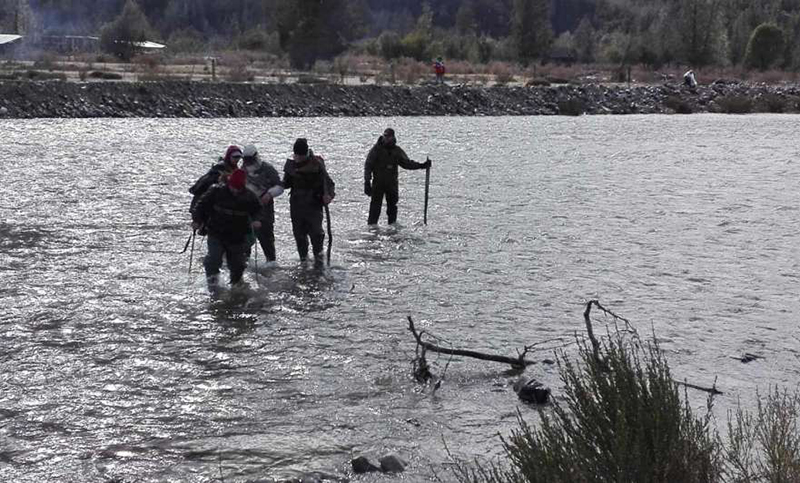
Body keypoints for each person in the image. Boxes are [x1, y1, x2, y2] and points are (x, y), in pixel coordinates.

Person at [191, 168, 262, 290]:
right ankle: (213, 285)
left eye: (238, 188)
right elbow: (201, 205)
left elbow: (258, 210)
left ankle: (236, 285)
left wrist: (256, 220)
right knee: (213, 259)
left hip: (237, 236)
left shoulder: (249, 196)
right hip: (216, 232)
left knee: (238, 265)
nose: (235, 190)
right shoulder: (216, 190)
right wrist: (197, 220)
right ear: (229, 183)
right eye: (233, 187)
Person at [282, 138, 335, 263]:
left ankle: (319, 264)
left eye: (300, 155)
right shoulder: (291, 166)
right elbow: (285, 184)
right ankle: (303, 263)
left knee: (317, 236)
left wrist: (329, 196)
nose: (298, 158)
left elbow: (330, 184)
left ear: (305, 154)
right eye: (296, 155)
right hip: (296, 207)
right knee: (299, 237)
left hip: (314, 207)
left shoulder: (317, 165)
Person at [363, 128, 431, 225]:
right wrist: (367, 182)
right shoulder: (376, 150)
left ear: (393, 137)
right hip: (378, 183)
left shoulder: (397, 151)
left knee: (392, 209)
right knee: (375, 209)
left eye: (389, 137)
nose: (386, 139)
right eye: (385, 136)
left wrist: (421, 165)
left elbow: (407, 164)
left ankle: (392, 230)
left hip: (392, 184)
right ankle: (372, 230)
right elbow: (368, 166)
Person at [241, 144, 284, 264]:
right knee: (245, 244)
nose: (249, 164)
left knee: (267, 241)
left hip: (266, 212)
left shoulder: (268, 169)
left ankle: (271, 263)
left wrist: (269, 194)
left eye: (251, 161)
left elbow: (280, 186)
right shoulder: (243, 170)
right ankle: (245, 266)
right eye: (246, 161)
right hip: (247, 213)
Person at [188, 145, 243, 212]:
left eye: (239, 157)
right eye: (235, 157)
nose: (237, 159)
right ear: (229, 157)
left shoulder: (234, 168)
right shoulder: (219, 170)